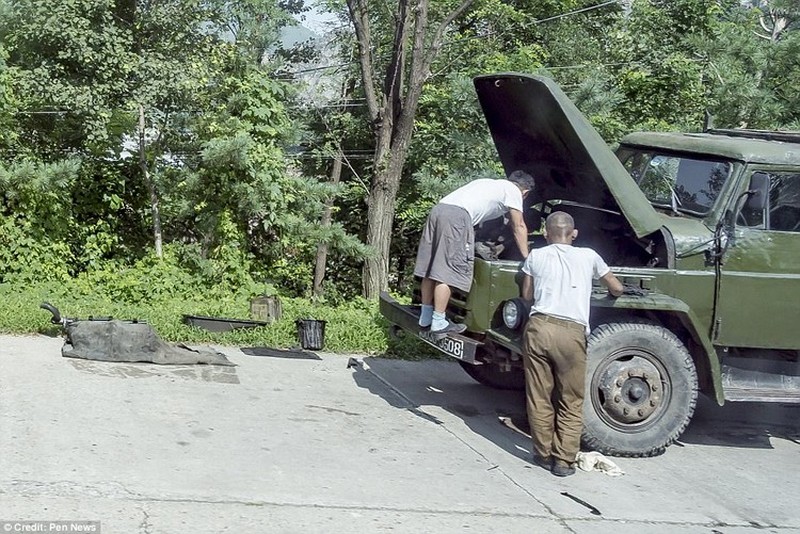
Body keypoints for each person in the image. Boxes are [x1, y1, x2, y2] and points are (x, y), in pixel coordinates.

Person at [520, 211, 623, 477]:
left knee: (539, 395)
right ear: (573, 234)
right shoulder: (589, 256)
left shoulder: (536, 256)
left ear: (546, 234)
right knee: (571, 398)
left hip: (539, 327)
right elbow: (616, 287)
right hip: (571, 332)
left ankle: (542, 454)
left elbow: (527, 295)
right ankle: (563, 460)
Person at [414, 170, 536, 339]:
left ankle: (425, 316)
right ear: (526, 192)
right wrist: (527, 258)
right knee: (447, 272)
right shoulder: (514, 191)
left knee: (432, 268)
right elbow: (519, 226)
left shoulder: (489, 184)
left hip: (439, 210)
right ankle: (439, 321)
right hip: (457, 218)